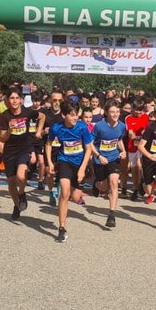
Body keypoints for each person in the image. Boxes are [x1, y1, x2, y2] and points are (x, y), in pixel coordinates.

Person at [46, 102, 94, 243]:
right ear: (63, 115)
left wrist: (82, 169)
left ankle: (76, 191)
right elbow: (48, 144)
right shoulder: (57, 128)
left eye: (77, 115)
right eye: (72, 115)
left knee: (75, 196)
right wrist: (49, 162)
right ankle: (62, 228)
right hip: (64, 161)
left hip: (79, 164)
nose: (75, 118)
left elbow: (89, 149)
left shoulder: (82, 128)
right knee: (64, 193)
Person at [0, 88, 37, 220]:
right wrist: (10, 129)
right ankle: (16, 206)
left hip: (24, 149)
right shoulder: (4, 116)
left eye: (16, 98)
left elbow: (42, 117)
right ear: (8, 101)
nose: (14, 101)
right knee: (11, 182)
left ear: (21, 100)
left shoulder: (28, 112)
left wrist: (37, 135)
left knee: (21, 176)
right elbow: (3, 138)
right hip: (10, 151)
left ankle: (22, 194)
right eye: (11, 98)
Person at [91, 101, 128, 228]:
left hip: (113, 158)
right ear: (106, 113)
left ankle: (112, 214)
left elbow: (119, 140)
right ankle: (96, 184)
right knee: (103, 185)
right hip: (99, 159)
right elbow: (90, 144)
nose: (115, 114)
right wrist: (98, 156)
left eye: (117, 112)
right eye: (112, 111)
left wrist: (123, 151)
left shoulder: (122, 126)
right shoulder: (99, 126)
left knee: (114, 181)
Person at [38, 92, 64, 206]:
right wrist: (44, 131)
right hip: (49, 146)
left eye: (59, 100)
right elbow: (37, 133)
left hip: (62, 147)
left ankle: (60, 192)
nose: (57, 102)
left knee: (62, 172)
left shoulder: (65, 114)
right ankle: (51, 192)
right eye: (54, 100)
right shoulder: (44, 114)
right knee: (49, 172)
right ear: (50, 100)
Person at [124, 97, 150, 200]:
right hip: (132, 147)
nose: (138, 112)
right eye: (137, 110)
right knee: (134, 169)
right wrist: (131, 134)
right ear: (133, 109)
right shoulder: (128, 118)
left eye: (141, 110)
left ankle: (142, 181)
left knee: (140, 165)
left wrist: (144, 133)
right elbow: (130, 132)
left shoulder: (146, 117)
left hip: (143, 147)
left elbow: (147, 130)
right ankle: (136, 188)